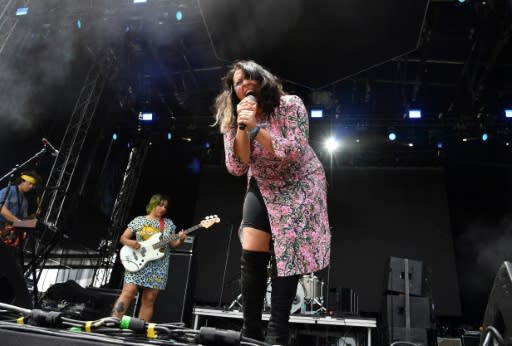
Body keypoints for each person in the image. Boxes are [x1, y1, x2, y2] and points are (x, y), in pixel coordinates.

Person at [214, 60, 331, 345]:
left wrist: (256, 129)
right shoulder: (236, 116)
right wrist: (243, 126)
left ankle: (278, 332)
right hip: (263, 182)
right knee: (252, 246)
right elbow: (237, 166)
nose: (244, 85)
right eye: (238, 83)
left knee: (287, 252)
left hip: (299, 181)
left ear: (263, 79)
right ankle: (250, 332)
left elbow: (293, 150)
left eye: (249, 78)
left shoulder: (290, 105)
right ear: (234, 91)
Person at [111, 194, 186, 322]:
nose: (162, 209)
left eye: (165, 207)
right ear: (152, 205)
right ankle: (112, 322)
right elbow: (123, 238)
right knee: (128, 293)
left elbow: (174, 245)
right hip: (137, 260)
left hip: (158, 265)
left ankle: (139, 331)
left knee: (149, 299)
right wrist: (131, 243)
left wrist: (181, 240)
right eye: (160, 205)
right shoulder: (139, 220)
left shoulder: (168, 224)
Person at [0, 171, 40, 247]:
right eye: (30, 183)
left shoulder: (25, 201)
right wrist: (19, 222)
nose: (31, 187)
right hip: (1, 226)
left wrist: (32, 217)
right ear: (22, 181)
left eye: (33, 185)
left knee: (35, 223)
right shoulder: (9, 190)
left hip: (9, 233)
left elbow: (22, 219)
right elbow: (1, 208)